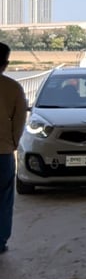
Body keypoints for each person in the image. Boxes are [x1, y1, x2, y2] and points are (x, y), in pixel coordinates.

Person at [0, 43, 27, 254]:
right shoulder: (13, 88)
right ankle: (0, 241)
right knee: (3, 197)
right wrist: (13, 142)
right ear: (5, 63)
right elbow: (19, 121)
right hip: (3, 151)